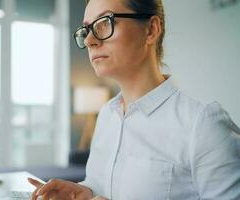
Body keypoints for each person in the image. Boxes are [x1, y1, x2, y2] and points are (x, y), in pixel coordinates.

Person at [28, 0, 240, 199]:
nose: (90, 41)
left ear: (151, 30)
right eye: (87, 30)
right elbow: (101, 186)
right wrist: (84, 191)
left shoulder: (203, 124)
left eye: (104, 23)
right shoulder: (106, 115)